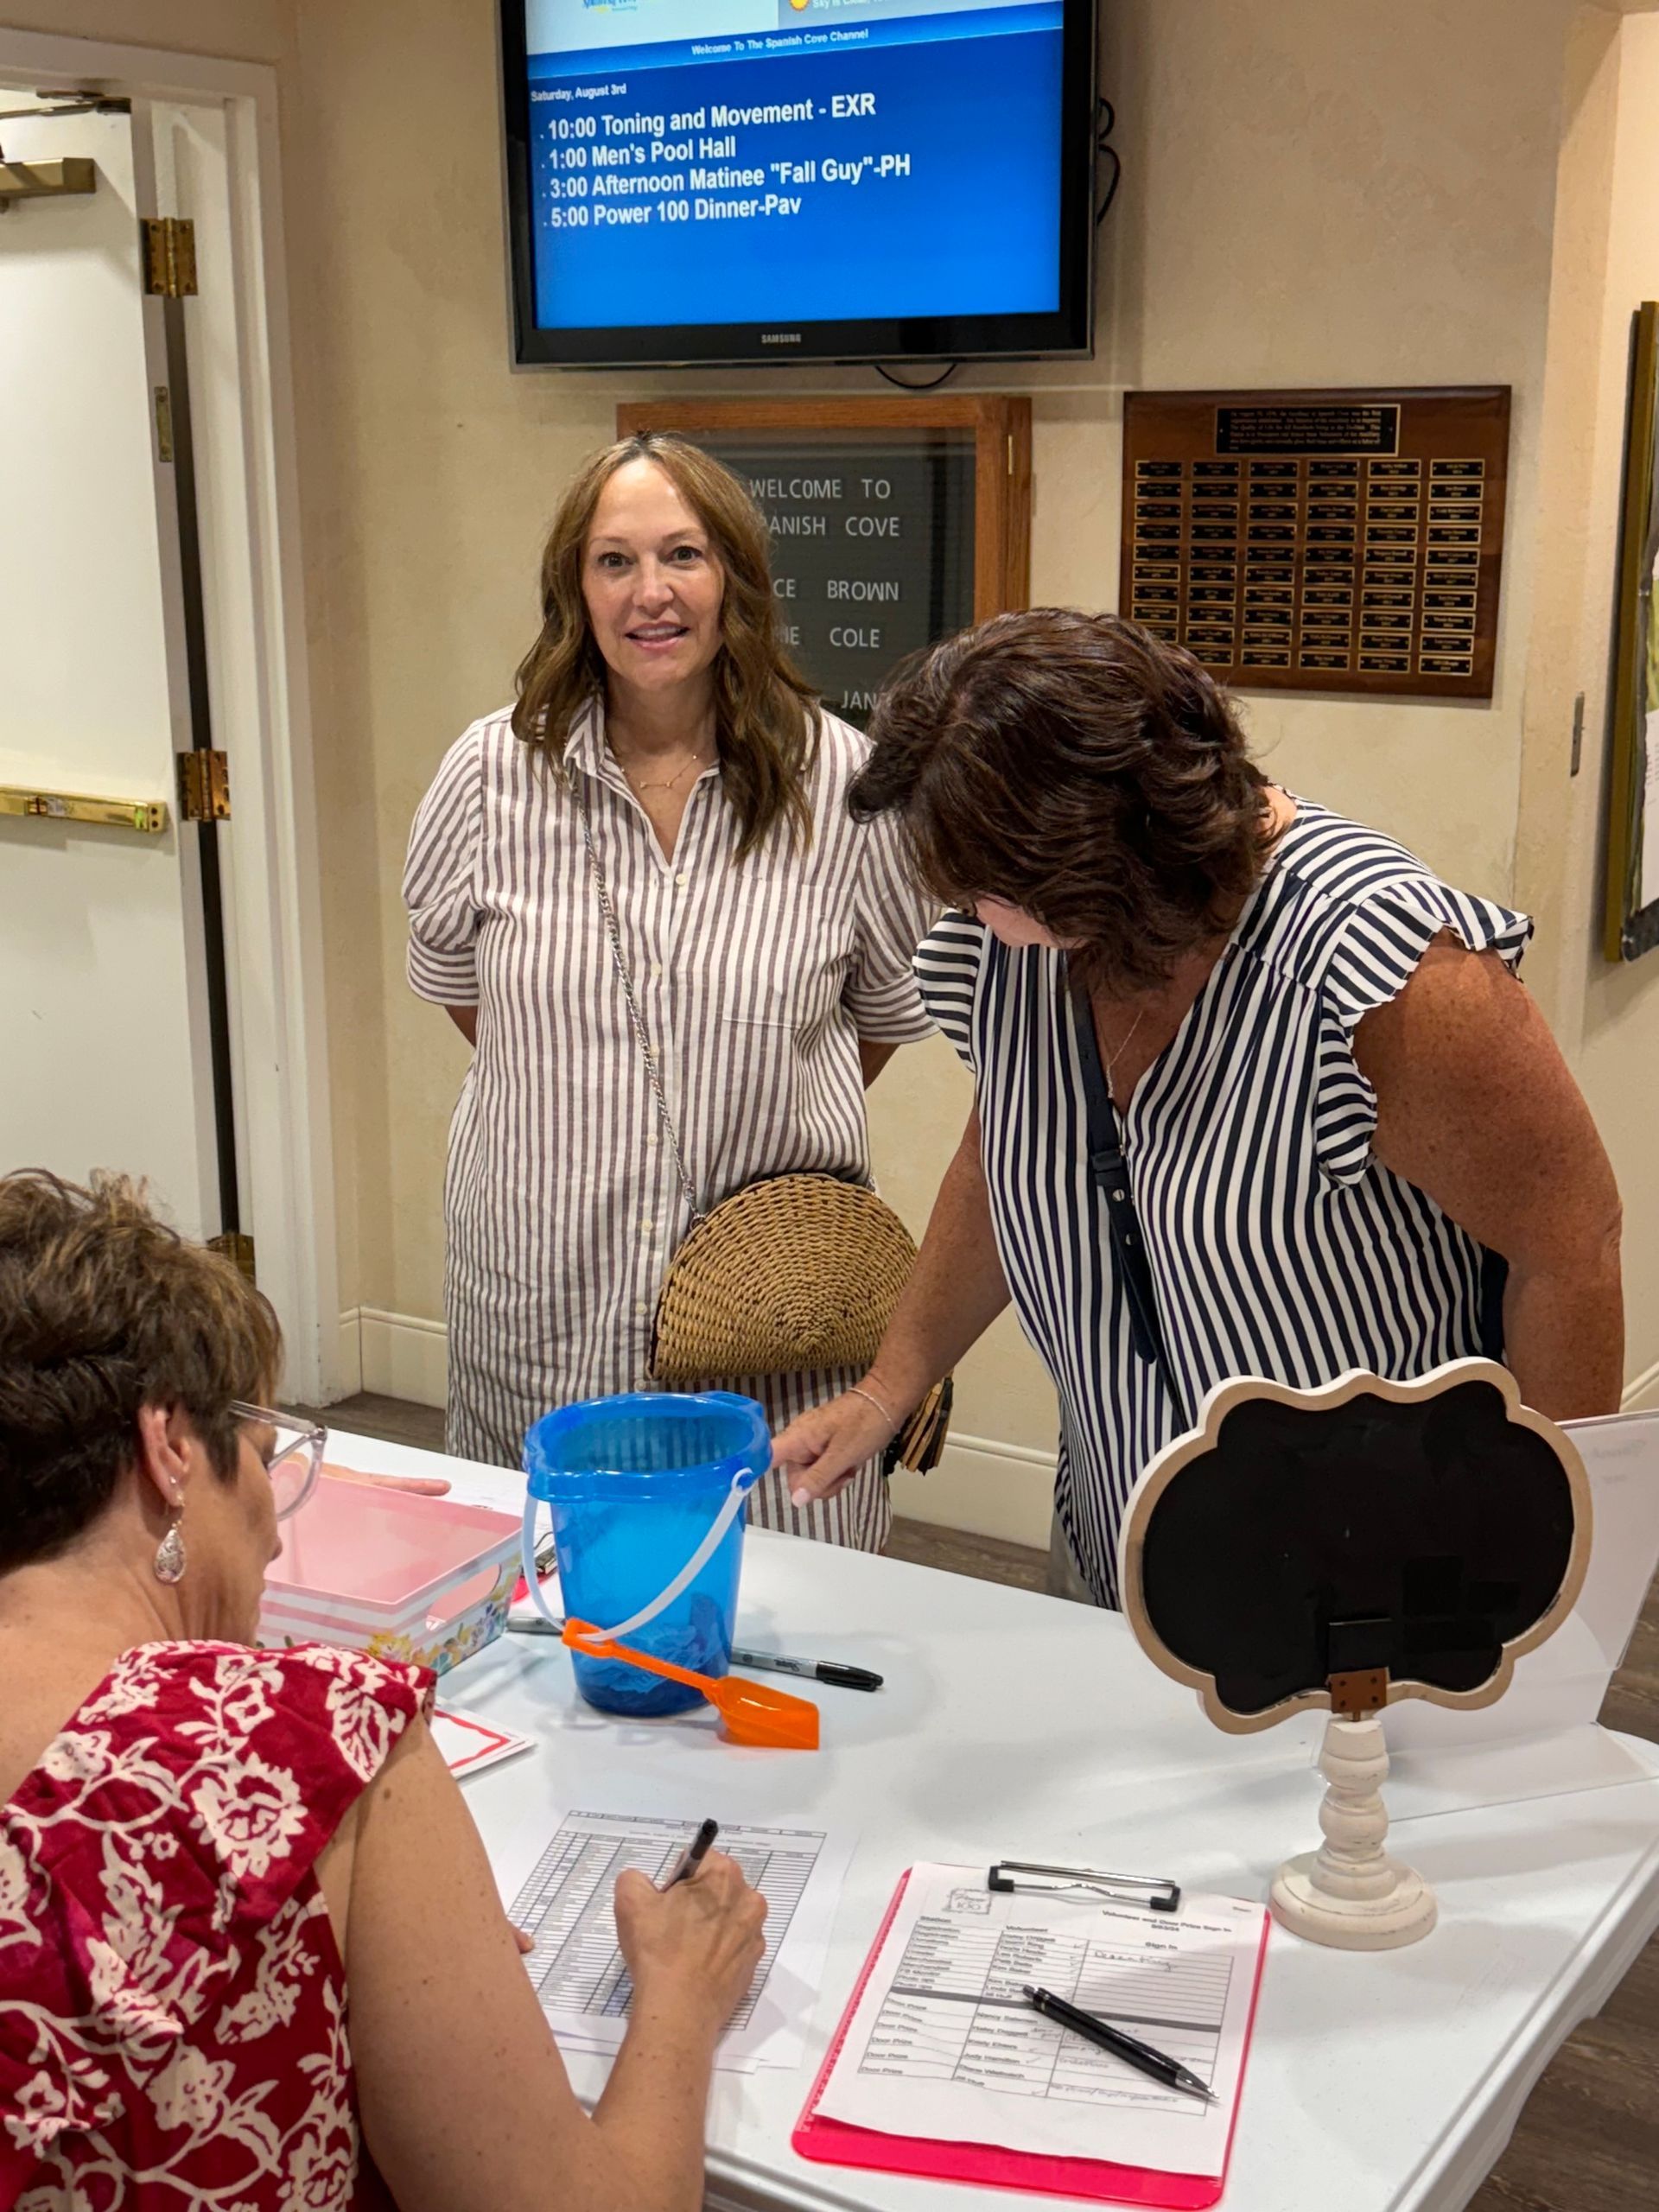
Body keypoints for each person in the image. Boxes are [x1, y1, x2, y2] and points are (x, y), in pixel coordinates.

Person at [772, 610, 1624, 1606]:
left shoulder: (1383, 970)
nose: (973, 918)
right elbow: (1008, 1155)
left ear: (1111, 866)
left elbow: (1572, 1248)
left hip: (1377, 1573)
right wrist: (888, 1388)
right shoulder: (1015, 951)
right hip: (1120, 1530)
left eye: (995, 892)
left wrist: (1544, 1569)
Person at [0, 1170, 766, 2211]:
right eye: (265, 1464)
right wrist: (681, 1991)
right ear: (171, 1448)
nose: (275, 1530)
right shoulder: (298, 1746)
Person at [404, 433, 937, 1549]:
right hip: (546, 1302)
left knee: (789, 1626)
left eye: (683, 555)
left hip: (770, 1326)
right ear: (575, 589)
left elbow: (881, 1017)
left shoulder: (843, 787)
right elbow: (466, 995)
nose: (652, 593)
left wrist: (748, 1088)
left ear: (733, 580)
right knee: (559, 1623)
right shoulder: (488, 776)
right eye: (615, 562)